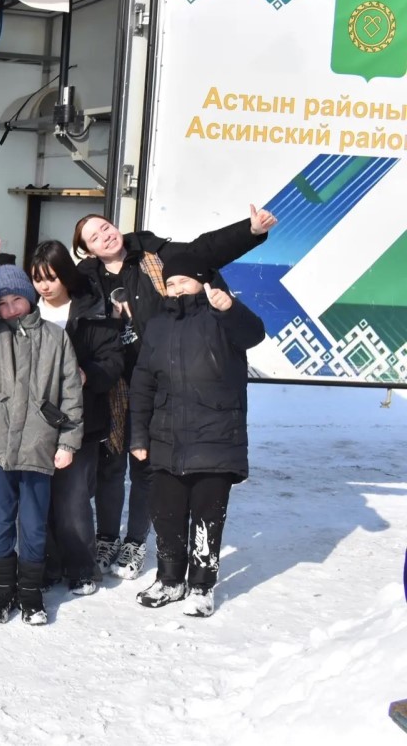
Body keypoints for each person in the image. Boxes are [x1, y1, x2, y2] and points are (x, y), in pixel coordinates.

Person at [73, 205, 277, 581]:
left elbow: (204, 250)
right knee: (111, 466)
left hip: (161, 382)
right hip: (113, 385)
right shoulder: (85, 280)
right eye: (94, 237)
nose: (105, 235)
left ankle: (135, 541)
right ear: (88, 250)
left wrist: (249, 230)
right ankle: (106, 537)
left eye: (105, 227)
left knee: (147, 467)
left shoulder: (154, 254)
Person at [129, 254, 264, 617]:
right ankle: (170, 580)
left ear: (202, 282)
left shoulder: (222, 316)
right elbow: (142, 383)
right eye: (170, 284)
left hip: (216, 437)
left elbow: (254, 334)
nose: (176, 289)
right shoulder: (158, 325)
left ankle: (202, 586)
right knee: (167, 515)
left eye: (183, 281)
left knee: (207, 517)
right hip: (165, 438)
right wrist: (138, 436)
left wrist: (230, 308)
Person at [0, 248, 82, 626]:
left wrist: (68, 441)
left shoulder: (56, 338)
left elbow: (71, 391)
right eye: (2, 303)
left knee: (33, 522)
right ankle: (1, 590)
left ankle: (30, 592)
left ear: (30, 298)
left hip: (37, 444)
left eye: (16, 300)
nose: (10, 309)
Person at [29, 241, 124, 596]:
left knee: (72, 500)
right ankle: (47, 565)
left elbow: (113, 360)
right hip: (34, 423)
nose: (44, 286)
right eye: (38, 278)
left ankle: (82, 568)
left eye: (51, 277)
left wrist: (89, 374)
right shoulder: (27, 313)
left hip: (80, 421)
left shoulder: (91, 311)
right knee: (38, 500)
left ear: (66, 276)